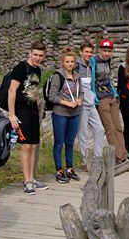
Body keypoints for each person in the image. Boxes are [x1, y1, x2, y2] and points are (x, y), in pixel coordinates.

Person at [7, 41, 49, 194]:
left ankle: (32, 178)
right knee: (25, 146)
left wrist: (37, 106)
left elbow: (34, 89)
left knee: (33, 145)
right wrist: (12, 114)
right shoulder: (21, 67)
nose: (37, 58)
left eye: (40, 55)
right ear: (30, 53)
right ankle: (26, 181)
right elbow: (12, 90)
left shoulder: (37, 69)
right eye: (35, 54)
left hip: (32, 111)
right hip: (21, 111)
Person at [49, 48, 83, 182]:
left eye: (72, 62)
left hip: (74, 113)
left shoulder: (77, 75)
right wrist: (66, 103)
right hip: (61, 113)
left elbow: (81, 92)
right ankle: (59, 170)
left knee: (70, 142)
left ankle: (70, 168)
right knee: (59, 143)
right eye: (67, 62)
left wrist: (80, 100)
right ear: (62, 63)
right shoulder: (58, 76)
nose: (70, 64)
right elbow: (52, 96)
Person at [92, 39, 127, 164]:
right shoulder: (93, 61)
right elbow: (91, 80)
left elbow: (108, 79)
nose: (107, 53)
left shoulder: (108, 61)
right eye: (104, 50)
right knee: (110, 128)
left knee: (118, 127)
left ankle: (123, 154)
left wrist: (115, 93)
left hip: (112, 97)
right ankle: (118, 156)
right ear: (99, 50)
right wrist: (94, 96)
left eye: (109, 51)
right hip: (101, 98)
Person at [76, 42, 105, 169]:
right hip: (81, 105)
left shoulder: (91, 65)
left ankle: (97, 159)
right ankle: (86, 161)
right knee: (83, 134)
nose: (88, 54)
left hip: (91, 103)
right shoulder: (76, 65)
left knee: (99, 130)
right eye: (86, 52)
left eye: (90, 52)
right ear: (81, 52)